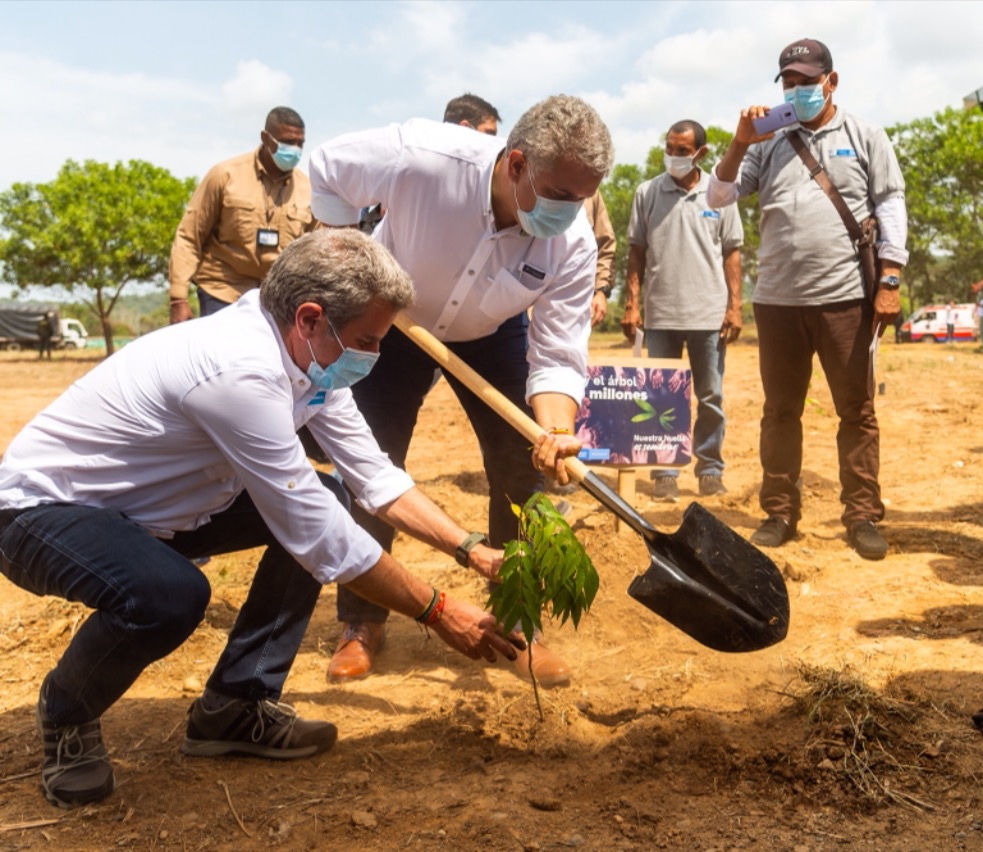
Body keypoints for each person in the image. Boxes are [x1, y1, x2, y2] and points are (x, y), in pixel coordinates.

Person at [0, 229, 521, 809]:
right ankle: (66, 711)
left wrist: (470, 548)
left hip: (157, 507)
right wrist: (440, 611)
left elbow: (374, 476)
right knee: (171, 595)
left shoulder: (310, 357)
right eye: (368, 340)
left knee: (333, 496)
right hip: (44, 512)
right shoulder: (240, 370)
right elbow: (321, 538)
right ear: (309, 318)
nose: (374, 356)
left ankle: (234, 706)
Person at [309, 94, 614, 686]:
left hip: (492, 333)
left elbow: (554, 353)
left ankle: (519, 620)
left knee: (519, 469)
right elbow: (327, 167)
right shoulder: (422, 158)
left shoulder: (573, 243)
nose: (572, 212)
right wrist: (346, 260)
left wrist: (553, 431)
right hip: (390, 320)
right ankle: (361, 621)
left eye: (584, 199)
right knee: (369, 464)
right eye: (561, 196)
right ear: (517, 164)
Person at [708, 37, 908, 561]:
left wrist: (890, 279)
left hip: (845, 300)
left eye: (806, 82)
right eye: (788, 84)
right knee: (779, 412)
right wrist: (740, 141)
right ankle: (779, 512)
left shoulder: (864, 135)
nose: (797, 92)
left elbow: (890, 203)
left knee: (857, 411)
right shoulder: (768, 140)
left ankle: (862, 515)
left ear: (830, 82)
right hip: (776, 302)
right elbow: (718, 198)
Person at [620, 120, 743, 501]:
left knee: (711, 397)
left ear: (700, 154)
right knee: (660, 399)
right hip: (661, 315)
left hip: (708, 315)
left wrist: (734, 307)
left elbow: (732, 252)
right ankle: (664, 472)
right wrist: (631, 304)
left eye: (681, 150)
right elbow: (636, 251)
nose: (673, 156)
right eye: (669, 148)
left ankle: (709, 469)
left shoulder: (720, 194)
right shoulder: (648, 192)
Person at [168, 106, 313, 323]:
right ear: (266, 138)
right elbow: (189, 236)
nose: (294, 150)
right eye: (287, 142)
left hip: (277, 301)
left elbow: (318, 253)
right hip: (222, 292)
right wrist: (178, 299)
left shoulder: (309, 191)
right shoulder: (225, 175)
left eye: (299, 144)